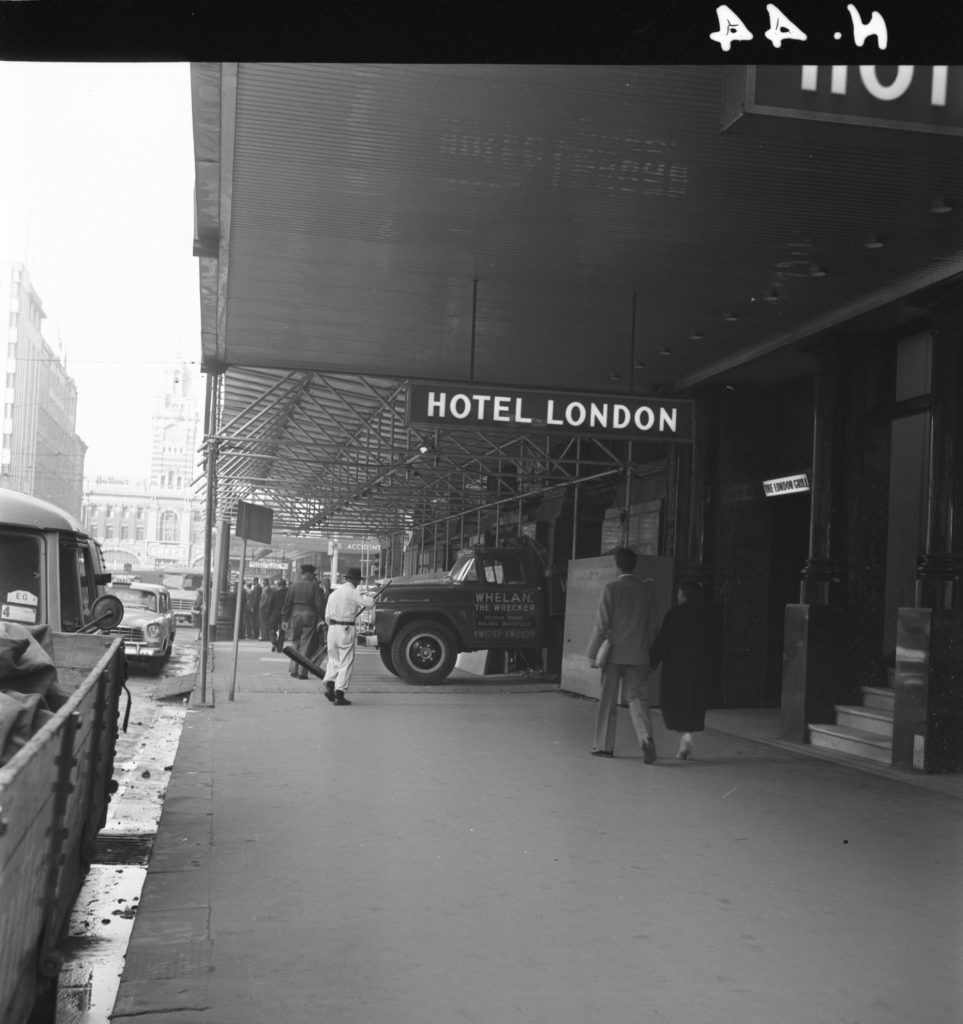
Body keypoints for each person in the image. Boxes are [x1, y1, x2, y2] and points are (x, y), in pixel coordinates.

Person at [586, 547, 661, 762]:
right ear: (634, 566)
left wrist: (592, 653)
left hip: (613, 655)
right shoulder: (648, 591)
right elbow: (653, 626)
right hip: (638, 655)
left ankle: (603, 746)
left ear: (616, 565)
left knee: (608, 700)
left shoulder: (611, 588)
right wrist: (644, 649)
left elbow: (601, 625)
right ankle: (646, 739)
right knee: (637, 698)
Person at [649, 580, 719, 760]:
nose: (677, 596)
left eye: (679, 593)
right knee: (693, 703)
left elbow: (663, 641)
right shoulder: (707, 616)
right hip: (699, 668)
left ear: (685, 594)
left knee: (675, 703)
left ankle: (684, 734)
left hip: (676, 668)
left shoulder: (674, 614)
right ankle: (688, 734)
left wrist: (652, 661)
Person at [321, 567, 375, 705]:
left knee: (333, 659)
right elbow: (370, 604)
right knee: (346, 662)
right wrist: (366, 596)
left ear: (346, 578)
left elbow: (326, 616)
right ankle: (340, 694)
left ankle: (330, 685)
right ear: (355, 580)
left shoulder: (333, 594)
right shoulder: (352, 592)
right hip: (346, 629)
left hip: (332, 628)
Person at [281, 565, 327, 679]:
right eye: (312, 574)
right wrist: (322, 618)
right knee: (306, 643)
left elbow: (287, 604)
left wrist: (285, 619)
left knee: (295, 641)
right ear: (310, 574)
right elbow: (319, 605)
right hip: (309, 615)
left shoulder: (293, 586)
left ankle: (293, 669)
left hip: (295, 615)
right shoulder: (314, 586)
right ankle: (302, 672)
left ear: (302, 573)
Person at [268, 578, 287, 651]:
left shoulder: (274, 593)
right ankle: (279, 648)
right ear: (285, 585)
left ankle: (274, 643)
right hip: (284, 614)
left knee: (272, 629)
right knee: (282, 630)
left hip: (274, 614)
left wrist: (269, 614)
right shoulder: (287, 594)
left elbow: (270, 604)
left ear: (279, 585)